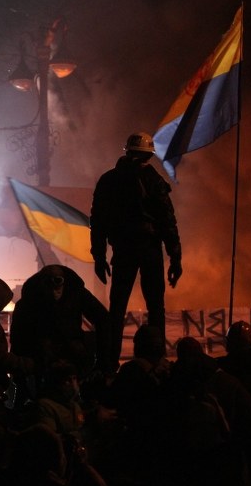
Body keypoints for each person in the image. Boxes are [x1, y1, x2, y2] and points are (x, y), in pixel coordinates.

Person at [90, 132, 182, 371]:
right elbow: (167, 220)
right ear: (149, 155)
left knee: (117, 307)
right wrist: (175, 256)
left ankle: (109, 364)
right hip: (150, 249)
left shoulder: (108, 180)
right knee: (156, 307)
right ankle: (157, 360)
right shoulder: (153, 180)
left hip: (123, 250)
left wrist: (99, 257)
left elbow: (97, 222)